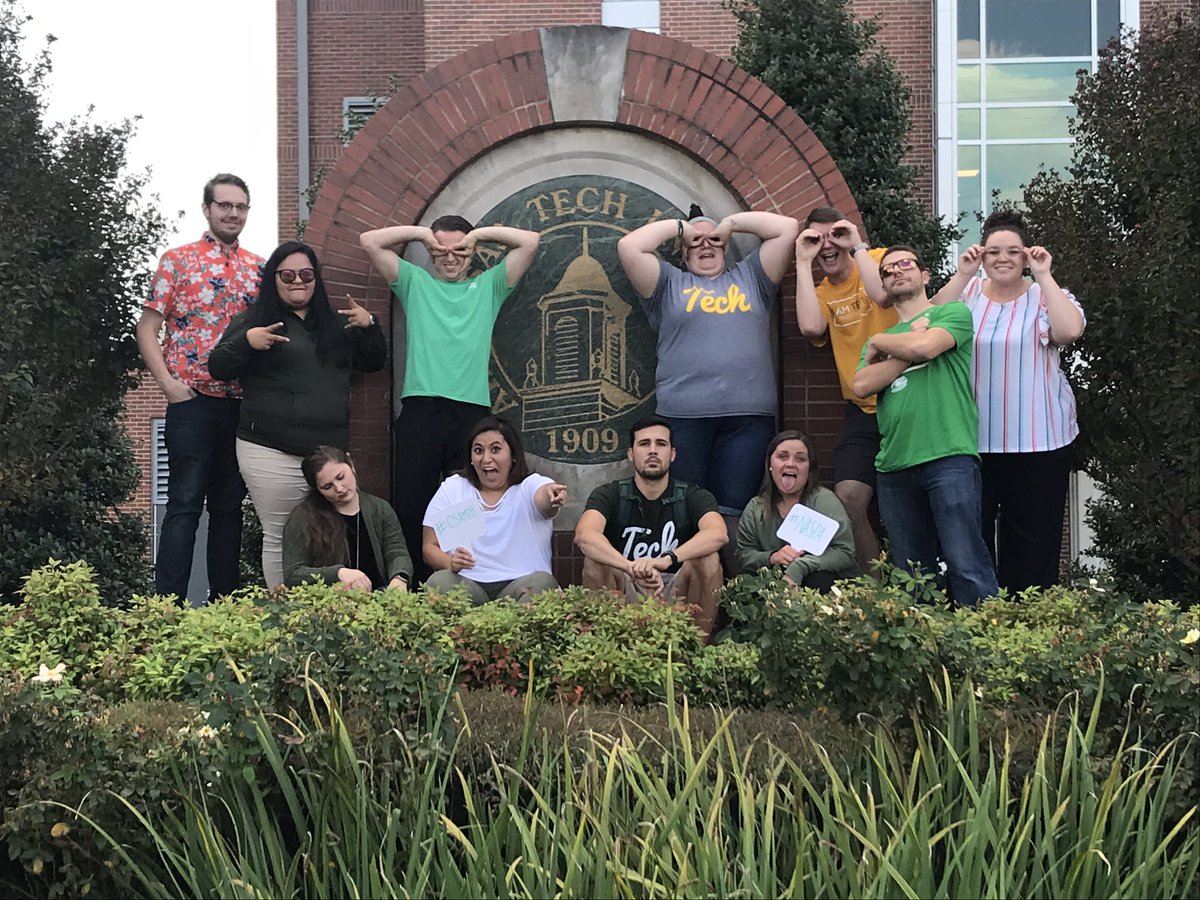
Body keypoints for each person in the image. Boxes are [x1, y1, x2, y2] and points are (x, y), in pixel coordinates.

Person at [359, 217, 540, 585]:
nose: (450, 257)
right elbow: (370, 240)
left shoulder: (488, 286)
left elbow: (530, 242)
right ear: (430, 253)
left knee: (465, 507)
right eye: (441, 251)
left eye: (460, 249)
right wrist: (422, 235)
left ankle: (461, 586)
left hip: (471, 415)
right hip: (421, 407)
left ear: (472, 252)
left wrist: (478, 236)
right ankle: (409, 588)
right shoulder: (415, 283)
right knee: (412, 504)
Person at [616, 205, 799, 550]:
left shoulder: (752, 277)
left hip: (747, 419)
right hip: (684, 419)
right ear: (683, 253)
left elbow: (787, 227)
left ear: (726, 247)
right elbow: (629, 247)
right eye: (696, 242)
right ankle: (691, 584)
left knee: (736, 514)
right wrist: (682, 228)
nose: (706, 245)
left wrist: (728, 224)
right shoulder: (668, 284)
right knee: (687, 514)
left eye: (714, 241)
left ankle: (736, 584)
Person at [208, 241, 386, 588]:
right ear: (273, 279)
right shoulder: (255, 321)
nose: (297, 281)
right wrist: (246, 341)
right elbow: (218, 367)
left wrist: (369, 324)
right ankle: (284, 612)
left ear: (316, 278)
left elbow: (373, 361)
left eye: (306, 274)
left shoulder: (337, 323)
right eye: (287, 275)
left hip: (328, 455)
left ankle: (329, 612)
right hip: (269, 450)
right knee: (281, 534)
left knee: (334, 530)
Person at [931, 210, 1085, 591]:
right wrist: (962, 274)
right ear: (982, 255)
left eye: (1013, 252)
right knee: (972, 541)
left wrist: (1044, 274)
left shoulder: (1045, 295)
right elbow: (924, 323)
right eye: (994, 251)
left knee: (1033, 545)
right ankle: (979, 617)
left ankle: (1028, 617)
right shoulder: (967, 294)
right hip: (973, 442)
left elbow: (1069, 330)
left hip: (1038, 441)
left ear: (1027, 256)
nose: (1003, 258)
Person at [136, 173, 264, 603]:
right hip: (191, 401)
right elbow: (147, 328)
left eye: (240, 206)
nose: (233, 213)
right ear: (207, 209)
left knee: (229, 508)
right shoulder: (178, 261)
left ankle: (224, 606)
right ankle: (166, 607)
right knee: (184, 505)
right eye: (225, 205)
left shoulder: (259, 269)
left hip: (240, 405)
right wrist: (168, 386)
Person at [852, 246, 998, 606]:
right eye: (887, 270)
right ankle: (924, 641)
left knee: (966, 563)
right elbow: (862, 384)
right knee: (912, 575)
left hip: (949, 457)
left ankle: (983, 635)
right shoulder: (889, 336)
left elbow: (928, 347)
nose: (896, 271)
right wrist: (902, 346)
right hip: (894, 466)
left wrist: (882, 344)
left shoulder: (952, 313)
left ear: (925, 274)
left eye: (904, 264)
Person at [794, 206, 897, 573]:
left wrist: (856, 246)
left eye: (834, 235)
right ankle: (876, 587)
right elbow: (810, 328)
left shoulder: (878, 260)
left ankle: (915, 585)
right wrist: (802, 262)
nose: (827, 245)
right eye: (816, 238)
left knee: (907, 499)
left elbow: (883, 295)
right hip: (862, 409)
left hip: (903, 399)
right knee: (849, 496)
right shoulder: (822, 292)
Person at [574, 416, 728, 639]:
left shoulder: (693, 495)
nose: (653, 451)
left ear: (672, 454)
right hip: (626, 588)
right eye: (644, 444)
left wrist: (667, 559)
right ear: (631, 454)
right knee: (595, 561)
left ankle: (695, 649)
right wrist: (629, 566)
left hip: (677, 590)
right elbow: (584, 535)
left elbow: (718, 533)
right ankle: (609, 647)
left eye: (661, 444)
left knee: (708, 559)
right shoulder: (609, 494)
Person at [422, 416, 565, 604]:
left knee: (543, 583)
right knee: (439, 582)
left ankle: (516, 625)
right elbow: (430, 546)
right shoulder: (454, 488)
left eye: (495, 449)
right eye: (478, 451)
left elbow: (544, 497)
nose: (486, 459)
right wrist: (450, 563)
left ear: (513, 455)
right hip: (468, 585)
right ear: (470, 458)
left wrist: (551, 495)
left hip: (520, 586)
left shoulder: (528, 485)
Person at [735, 430, 858, 593]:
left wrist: (801, 566)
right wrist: (772, 557)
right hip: (773, 579)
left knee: (819, 579)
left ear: (809, 469)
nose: (790, 464)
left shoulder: (824, 500)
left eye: (800, 459)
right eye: (783, 456)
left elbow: (844, 552)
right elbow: (744, 554)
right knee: (747, 584)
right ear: (770, 464)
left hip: (822, 582)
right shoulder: (755, 508)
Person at [282, 446, 412, 590]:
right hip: (328, 599)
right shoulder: (302, 519)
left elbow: (397, 552)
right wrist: (338, 573)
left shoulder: (380, 508)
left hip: (379, 596)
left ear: (351, 465)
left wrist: (399, 578)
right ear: (318, 490)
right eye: (327, 486)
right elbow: (293, 574)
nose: (339, 488)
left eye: (341, 477)